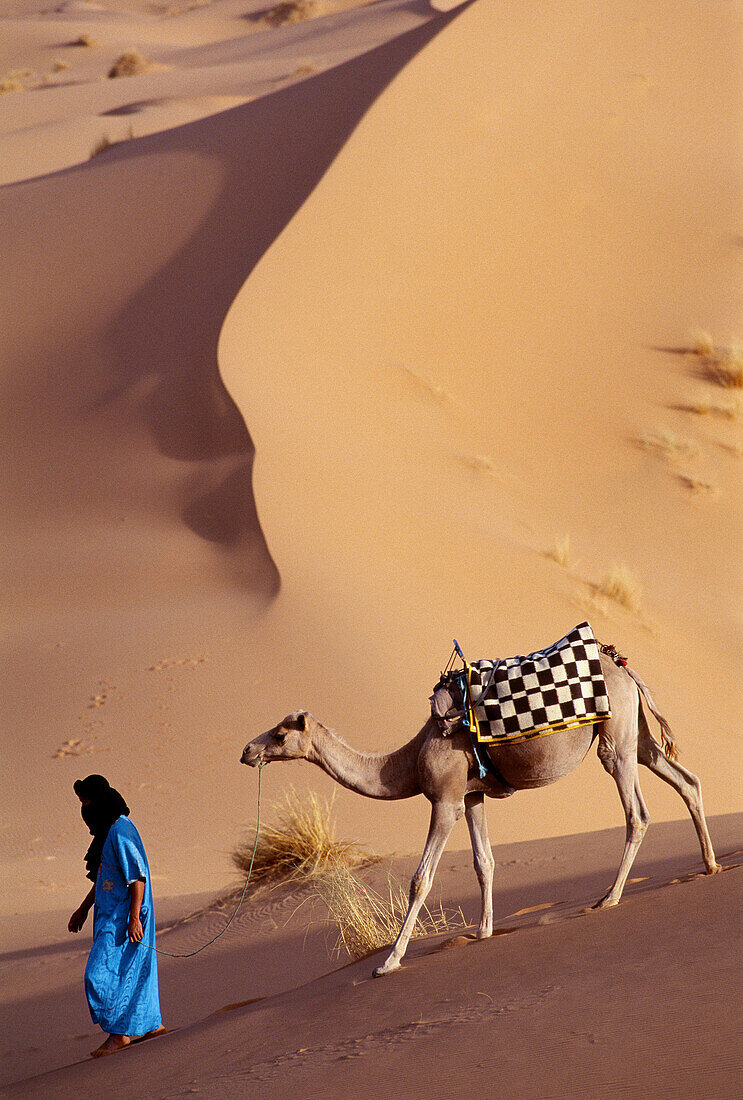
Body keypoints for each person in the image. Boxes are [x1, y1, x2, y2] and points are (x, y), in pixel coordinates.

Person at [68, 774, 165, 1058]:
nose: (84, 808)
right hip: (109, 916)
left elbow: (137, 877)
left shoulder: (121, 830)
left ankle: (120, 1034)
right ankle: (148, 1027)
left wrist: (134, 918)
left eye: (86, 801)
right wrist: (83, 909)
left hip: (125, 917)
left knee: (99, 974)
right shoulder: (108, 831)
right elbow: (105, 876)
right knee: (129, 970)